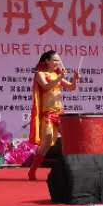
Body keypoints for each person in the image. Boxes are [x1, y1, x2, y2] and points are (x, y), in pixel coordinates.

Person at [27, 50, 79, 181]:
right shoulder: (40, 74)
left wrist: (75, 79)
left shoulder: (57, 75)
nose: (57, 62)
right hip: (48, 114)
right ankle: (32, 170)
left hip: (59, 114)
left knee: (69, 141)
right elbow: (46, 86)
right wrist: (60, 77)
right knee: (47, 142)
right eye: (55, 60)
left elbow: (71, 88)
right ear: (47, 61)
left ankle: (70, 169)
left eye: (58, 60)